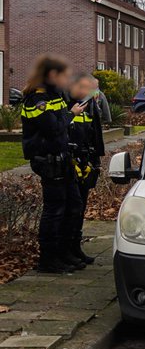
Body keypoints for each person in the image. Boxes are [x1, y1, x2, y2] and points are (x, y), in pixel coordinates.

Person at [20, 55, 86, 273]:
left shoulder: (55, 95)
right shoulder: (36, 99)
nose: (67, 79)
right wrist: (72, 114)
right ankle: (48, 259)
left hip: (63, 158)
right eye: (64, 75)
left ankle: (65, 252)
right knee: (55, 210)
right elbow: (53, 127)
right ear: (52, 75)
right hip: (48, 161)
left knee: (73, 206)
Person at [67, 72, 106, 265]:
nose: (95, 91)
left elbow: (95, 134)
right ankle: (68, 248)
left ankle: (75, 247)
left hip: (87, 162)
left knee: (80, 207)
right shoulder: (70, 105)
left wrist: (96, 159)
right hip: (73, 163)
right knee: (72, 208)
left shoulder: (90, 104)